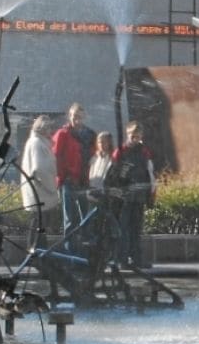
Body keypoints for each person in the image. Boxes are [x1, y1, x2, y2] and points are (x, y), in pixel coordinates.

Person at [107, 120, 156, 268]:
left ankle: (136, 258)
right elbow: (113, 175)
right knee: (124, 228)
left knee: (136, 228)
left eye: (138, 134)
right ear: (128, 134)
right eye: (133, 134)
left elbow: (149, 174)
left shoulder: (144, 152)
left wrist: (150, 194)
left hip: (139, 195)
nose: (136, 137)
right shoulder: (121, 152)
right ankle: (122, 259)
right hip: (125, 196)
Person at [51, 103, 96, 230]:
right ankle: (70, 249)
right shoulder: (62, 134)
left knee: (86, 216)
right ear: (69, 116)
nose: (77, 120)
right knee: (70, 219)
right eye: (74, 116)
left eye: (80, 117)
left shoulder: (90, 135)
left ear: (84, 117)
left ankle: (85, 246)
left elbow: (95, 157)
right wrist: (62, 177)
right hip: (68, 180)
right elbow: (56, 157)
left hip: (84, 180)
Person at [19, 115, 59, 216]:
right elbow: (40, 169)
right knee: (41, 225)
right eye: (48, 127)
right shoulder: (38, 143)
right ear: (43, 128)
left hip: (38, 193)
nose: (50, 131)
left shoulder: (36, 142)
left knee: (37, 224)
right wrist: (51, 188)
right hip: (42, 194)